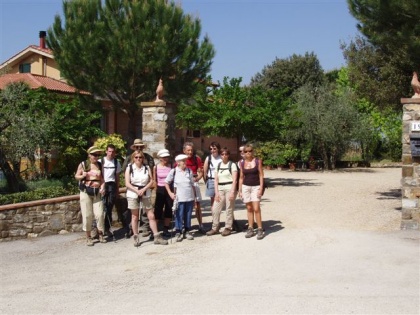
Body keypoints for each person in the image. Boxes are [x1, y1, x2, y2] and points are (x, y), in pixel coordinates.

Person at [125, 150, 168, 247]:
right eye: (136, 157)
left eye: (140, 157)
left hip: (145, 192)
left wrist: (144, 189)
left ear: (143, 158)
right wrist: (137, 191)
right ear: (133, 158)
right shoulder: (130, 168)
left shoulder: (146, 167)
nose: (138, 159)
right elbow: (127, 183)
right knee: (135, 216)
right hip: (133, 192)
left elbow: (151, 180)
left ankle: (156, 236)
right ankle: (136, 236)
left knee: (151, 215)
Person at [74, 146, 107, 246]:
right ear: (89, 155)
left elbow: (102, 179)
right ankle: (88, 237)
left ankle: (100, 234)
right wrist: (83, 175)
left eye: (98, 155)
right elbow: (76, 176)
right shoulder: (83, 164)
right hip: (85, 192)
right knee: (87, 215)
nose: (96, 157)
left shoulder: (100, 165)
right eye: (94, 155)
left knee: (100, 214)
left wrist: (103, 187)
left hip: (97, 192)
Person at [122, 139, 154, 237]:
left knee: (146, 210)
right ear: (134, 147)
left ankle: (145, 227)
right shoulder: (128, 158)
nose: (139, 148)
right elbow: (124, 171)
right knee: (133, 211)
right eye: (137, 147)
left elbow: (151, 170)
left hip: (145, 186)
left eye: (141, 147)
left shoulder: (148, 157)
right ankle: (132, 228)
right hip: (133, 188)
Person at [207, 147, 238, 237]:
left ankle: (228, 227)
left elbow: (235, 179)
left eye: (226, 154)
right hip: (220, 188)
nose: (224, 156)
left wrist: (232, 191)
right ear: (220, 155)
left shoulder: (232, 165)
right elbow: (216, 180)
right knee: (215, 209)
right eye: (222, 154)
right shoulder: (218, 165)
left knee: (229, 208)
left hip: (229, 188)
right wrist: (216, 193)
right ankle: (215, 227)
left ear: (228, 155)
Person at [165, 154, 196, 242]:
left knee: (188, 215)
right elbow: (166, 182)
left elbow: (192, 185)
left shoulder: (189, 171)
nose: (185, 163)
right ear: (178, 163)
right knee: (179, 215)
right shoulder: (174, 171)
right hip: (179, 198)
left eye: (185, 161)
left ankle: (187, 231)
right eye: (183, 161)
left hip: (189, 197)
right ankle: (178, 231)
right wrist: (170, 193)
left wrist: (194, 197)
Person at [238, 144, 265, 240]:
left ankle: (260, 228)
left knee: (256, 208)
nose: (248, 153)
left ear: (252, 151)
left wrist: (261, 188)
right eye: (246, 151)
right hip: (246, 187)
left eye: (250, 151)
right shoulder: (241, 163)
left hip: (256, 186)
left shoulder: (258, 161)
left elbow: (261, 175)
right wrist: (240, 190)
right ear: (243, 153)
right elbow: (241, 177)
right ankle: (250, 228)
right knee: (249, 208)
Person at [182, 142, 206, 234]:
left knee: (197, 205)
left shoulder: (197, 159)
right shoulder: (181, 160)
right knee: (185, 206)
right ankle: (185, 226)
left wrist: (197, 178)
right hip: (184, 185)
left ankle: (201, 225)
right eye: (188, 150)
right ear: (184, 151)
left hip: (194, 182)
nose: (190, 152)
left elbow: (200, 171)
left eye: (191, 150)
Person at [101, 144, 121, 238]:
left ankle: (107, 229)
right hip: (103, 185)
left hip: (112, 186)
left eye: (113, 152)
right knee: (100, 208)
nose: (111, 153)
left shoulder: (116, 162)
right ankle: (98, 230)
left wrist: (117, 190)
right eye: (109, 151)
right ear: (106, 151)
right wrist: (102, 186)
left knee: (109, 208)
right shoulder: (101, 161)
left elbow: (117, 178)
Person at [153, 149, 174, 237]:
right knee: (158, 209)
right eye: (164, 157)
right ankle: (154, 230)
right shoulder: (156, 167)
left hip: (169, 189)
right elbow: (154, 180)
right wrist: (155, 190)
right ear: (160, 158)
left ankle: (166, 228)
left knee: (168, 208)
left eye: (167, 157)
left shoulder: (171, 166)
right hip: (160, 189)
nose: (166, 159)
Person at [203, 142, 222, 212]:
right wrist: (206, 182)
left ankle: (217, 216)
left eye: (214, 148)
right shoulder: (208, 158)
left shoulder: (221, 157)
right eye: (211, 149)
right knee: (213, 200)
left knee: (220, 199)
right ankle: (214, 218)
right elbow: (204, 172)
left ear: (218, 149)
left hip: (220, 180)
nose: (212, 150)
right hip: (211, 180)